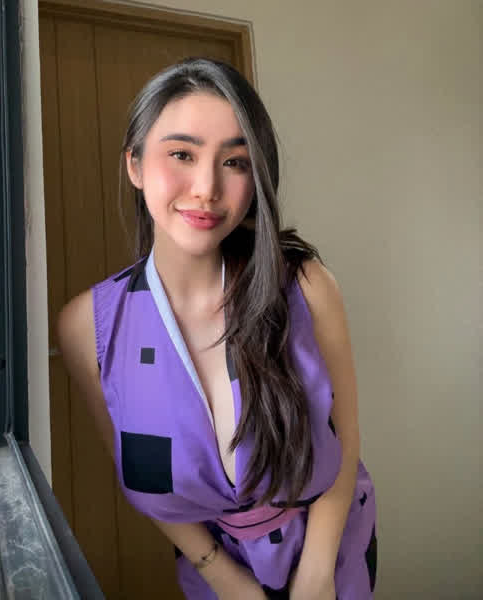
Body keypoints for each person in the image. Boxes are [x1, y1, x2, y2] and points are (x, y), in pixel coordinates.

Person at [57, 57, 377, 600]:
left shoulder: (306, 287)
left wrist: (318, 573)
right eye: (182, 154)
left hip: (333, 554)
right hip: (215, 573)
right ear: (135, 165)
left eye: (235, 162)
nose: (206, 188)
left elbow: (344, 439)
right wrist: (223, 579)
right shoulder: (87, 327)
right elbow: (140, 475)